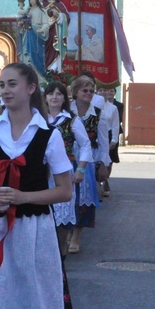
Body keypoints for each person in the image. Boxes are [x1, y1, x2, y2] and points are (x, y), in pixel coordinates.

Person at [0, 62, 72, 309]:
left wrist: (24, 197)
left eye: (12, 84)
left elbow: (65, 191)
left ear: (30, 88)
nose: (5, 90)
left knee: (35, 293)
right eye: (2, 85)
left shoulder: (49, 135)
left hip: (34, 228)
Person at [44, 81, 93, 257]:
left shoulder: (71, 120)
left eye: (59, 94)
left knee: (62, 212)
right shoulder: (39, 119)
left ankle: (61, 250)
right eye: (51, 94)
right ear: (45, 97)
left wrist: (80, 169)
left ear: (64, 98)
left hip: (64, 170)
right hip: (42, 171)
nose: (55, 97)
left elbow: (85, 144)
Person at [68, 75, 111, 254]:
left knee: (84, 198)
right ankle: (68, 231)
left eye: (91, 91)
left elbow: (103, 142)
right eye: (84, 90)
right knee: (68, 197)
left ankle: (76, 235)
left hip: (88, 160)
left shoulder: (98, 115)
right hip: (68, 158)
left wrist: (103, 164)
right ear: (76, 93)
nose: (88, 94)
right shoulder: (67, 113)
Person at [97, 85, 120, 198]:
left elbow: (115, 124)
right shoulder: (93, 106)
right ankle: (98, 182)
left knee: (108, 161)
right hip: (95, 135)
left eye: (105, 90)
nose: (102, 92)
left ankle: (105, 179)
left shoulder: (112, 108)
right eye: (100, 90)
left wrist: (114, 140)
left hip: (109, 134)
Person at [18, 0, 48, 75]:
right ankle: (30, 73)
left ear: (36, 0)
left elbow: (46, 23)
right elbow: (21, 18)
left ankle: (40, 76)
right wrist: (22, 23)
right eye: (30, 0)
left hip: (37, 35)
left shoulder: (42, 10)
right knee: (29, 55)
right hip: (29, 33)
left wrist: (42, 29)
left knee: (38, 55)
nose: (31, 1)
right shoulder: (28, 10)